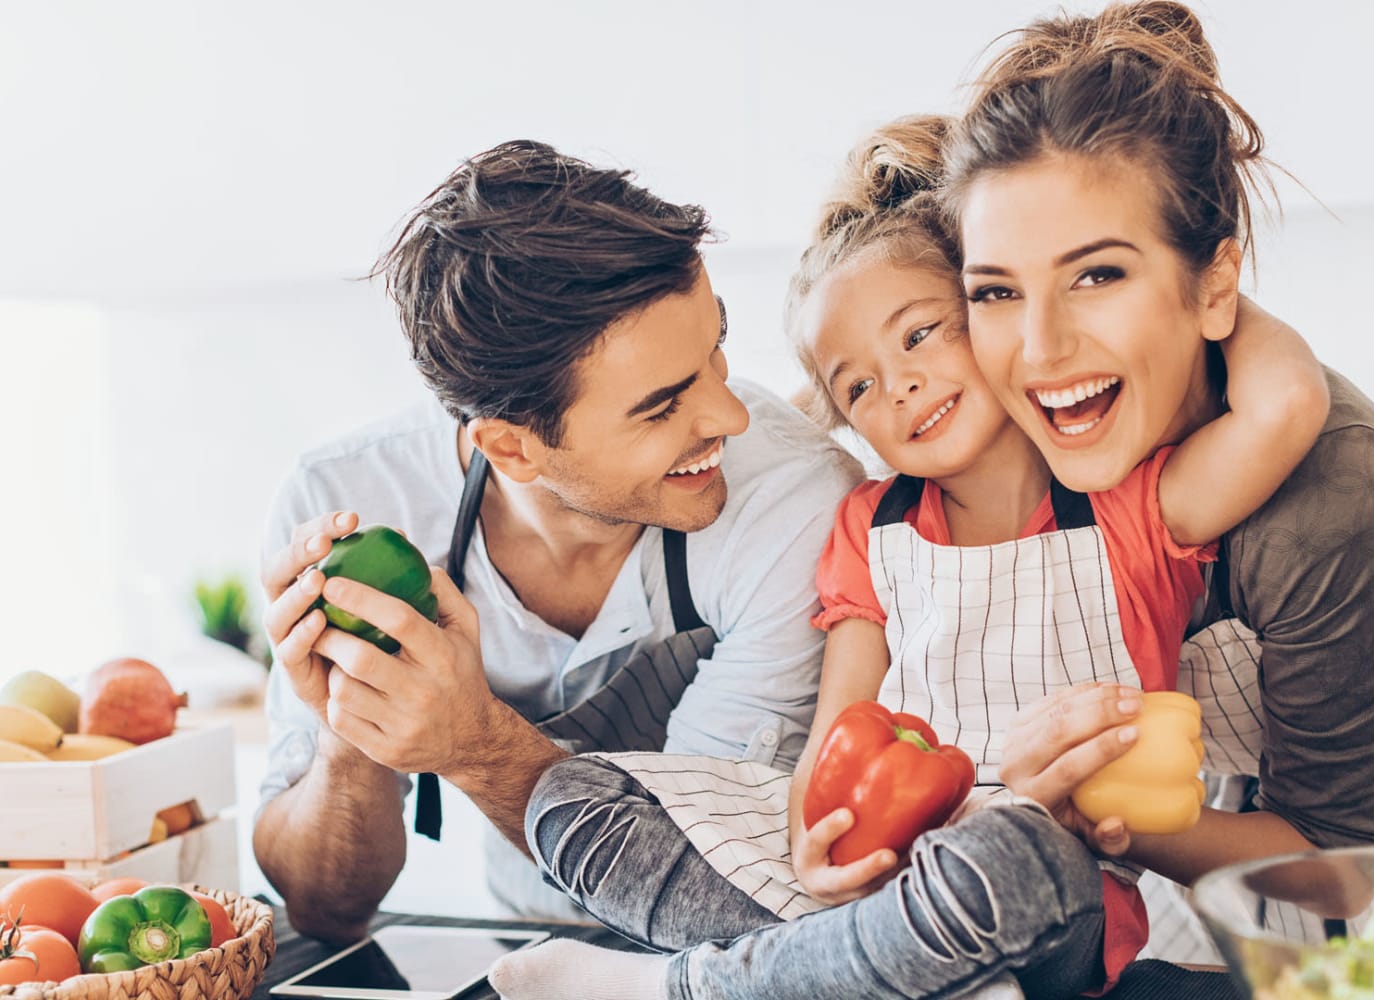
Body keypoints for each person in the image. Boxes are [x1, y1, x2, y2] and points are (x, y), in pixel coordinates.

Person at [486, 108, 1325, 1000]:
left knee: (1012, 850)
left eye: (921, 334)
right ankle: (892, 971)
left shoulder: (1129, 503)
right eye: (859, 385)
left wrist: (1199, 283)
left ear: (989, 309)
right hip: (879, 887)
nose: (900, 385)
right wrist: (815, 837)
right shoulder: (868, 527)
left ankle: (691, 987)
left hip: (1048, 888)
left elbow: (1283, 407)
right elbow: (836, 729)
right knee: (567, 802)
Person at [943, 0, 1374, 960]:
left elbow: (1339, 868)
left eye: (1098, 276)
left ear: (1214, 284)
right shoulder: (1017, 412)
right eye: (996, 290)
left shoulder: (1334, 498)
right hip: (1192, 808)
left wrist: (1088, 808)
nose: (1038, 349)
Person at [251, 140, 866, 941]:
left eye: (715, 347)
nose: (730, 416)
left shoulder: (793, 503)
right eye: (661, 405)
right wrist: (352, 724)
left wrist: (474, 745)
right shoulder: (348, 499)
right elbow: (324, 908)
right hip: (523, 950)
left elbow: (711, 885)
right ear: (511, 448)